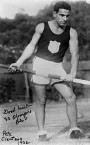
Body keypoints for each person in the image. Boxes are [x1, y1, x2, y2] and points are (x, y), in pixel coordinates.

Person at [9, 1, 85, 141]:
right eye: (61, 15)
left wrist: (72, 73)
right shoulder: (42, 27)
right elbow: (31, 46)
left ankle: (74, 129)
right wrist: (19, 62)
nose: (65, 18)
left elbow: (75, 54)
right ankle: (41, 133)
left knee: (70, 97)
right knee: (41, 100)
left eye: (67, 15)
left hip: (57, 66)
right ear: (54, 14)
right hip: (40, 65)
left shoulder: (71, 32)